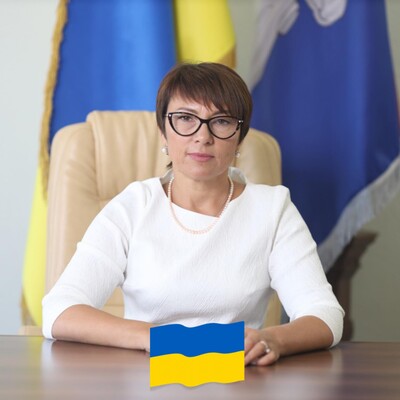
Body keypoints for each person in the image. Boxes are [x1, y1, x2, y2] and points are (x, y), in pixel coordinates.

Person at [42, 62, 344, 366]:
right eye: (186, 118)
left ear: (239, 137)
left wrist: (272, 339)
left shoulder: (272, 209)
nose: (202, 136)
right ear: (163, 132)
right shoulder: (133, 206)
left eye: (221, 121)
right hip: (144, 373)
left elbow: (324, 314)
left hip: (240, 373)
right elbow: (60, 310)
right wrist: (153, 338)